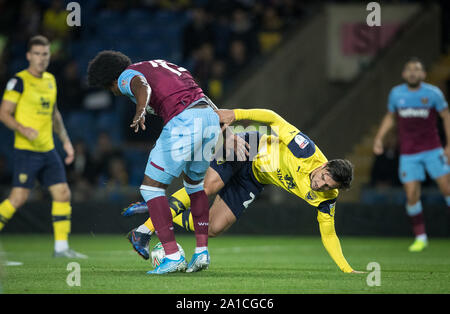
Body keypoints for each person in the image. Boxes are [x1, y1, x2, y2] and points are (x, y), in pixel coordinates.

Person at [124, 108, 364, 274]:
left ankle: (158, 211)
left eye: (327, 186)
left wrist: (347, 268)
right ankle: (145, 230)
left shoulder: (327, 198)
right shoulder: (306, 151)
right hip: (249, 147)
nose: (319, 185)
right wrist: (236, 114)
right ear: (323, 166)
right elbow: (272, 118)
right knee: (208, 187)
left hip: (255, 179)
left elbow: (329, 234)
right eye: (323, 178)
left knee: (214, 227)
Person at [87, 53, 221, 274]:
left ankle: (173, 255)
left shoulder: (126, 76)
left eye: (109, 88)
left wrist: (140, 111)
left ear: (110, 80)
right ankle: (201, 253)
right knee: (195, 187)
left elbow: (142, 87)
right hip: (208, 117)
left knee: (150, 188)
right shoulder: (162, 65)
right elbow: (198, 92)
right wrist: (223, 126)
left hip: (184, 120)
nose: (114, 91)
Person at [0, 35, 86, 258]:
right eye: (36, 54)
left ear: (49, 56)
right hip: (27, 150)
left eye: (45, 54)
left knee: (63, 193)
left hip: (48, 150)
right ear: (29, 56)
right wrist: (23, 128)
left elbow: (55, 114)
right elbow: (4, 113)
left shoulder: (50, 80)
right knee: (18, 198)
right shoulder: (18, 81)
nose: (41, 58)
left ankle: (61, 248)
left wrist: (66, 142)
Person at [373, 57, 450, 252]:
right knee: (411, 194)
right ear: (404, 74)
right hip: (408, 153)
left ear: (423, 74)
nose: (413, 73)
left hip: (433, 149)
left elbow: (446, 115)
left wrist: (449, 145)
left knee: (446, 189)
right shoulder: (396, 94)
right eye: (409, 69)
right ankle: (420, 237)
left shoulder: (433, 94)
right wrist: (379, 138)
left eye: (417, 70)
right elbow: (390, 117)